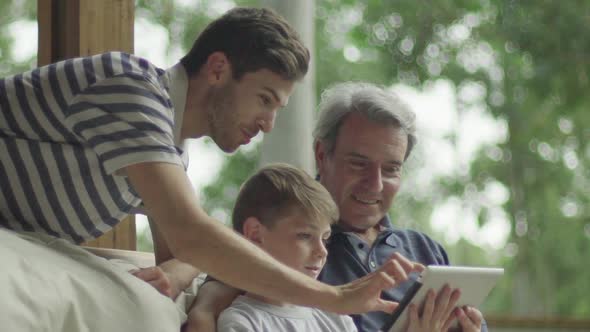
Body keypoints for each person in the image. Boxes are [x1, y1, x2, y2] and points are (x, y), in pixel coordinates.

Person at [0, 8, 410, 330]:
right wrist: (334, 297)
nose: (268, 123)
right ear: (217, 69)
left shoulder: (168, 153)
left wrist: (195, 289)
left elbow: (188, 253)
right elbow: (193, 234)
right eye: (264, 99)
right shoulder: (131, 89)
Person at [188, 82, 486, 332]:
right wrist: (200, 297)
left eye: (392, 169)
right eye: (359, 164)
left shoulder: (425, 251)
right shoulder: (286, 245)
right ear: (321, 154)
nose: (376, 185)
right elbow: (221, 271)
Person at [215, 163, 359, 331]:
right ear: (255, 235)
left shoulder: (337, 320)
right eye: (305, 236)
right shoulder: (243, 322)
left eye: (325, 238)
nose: (322, 251)